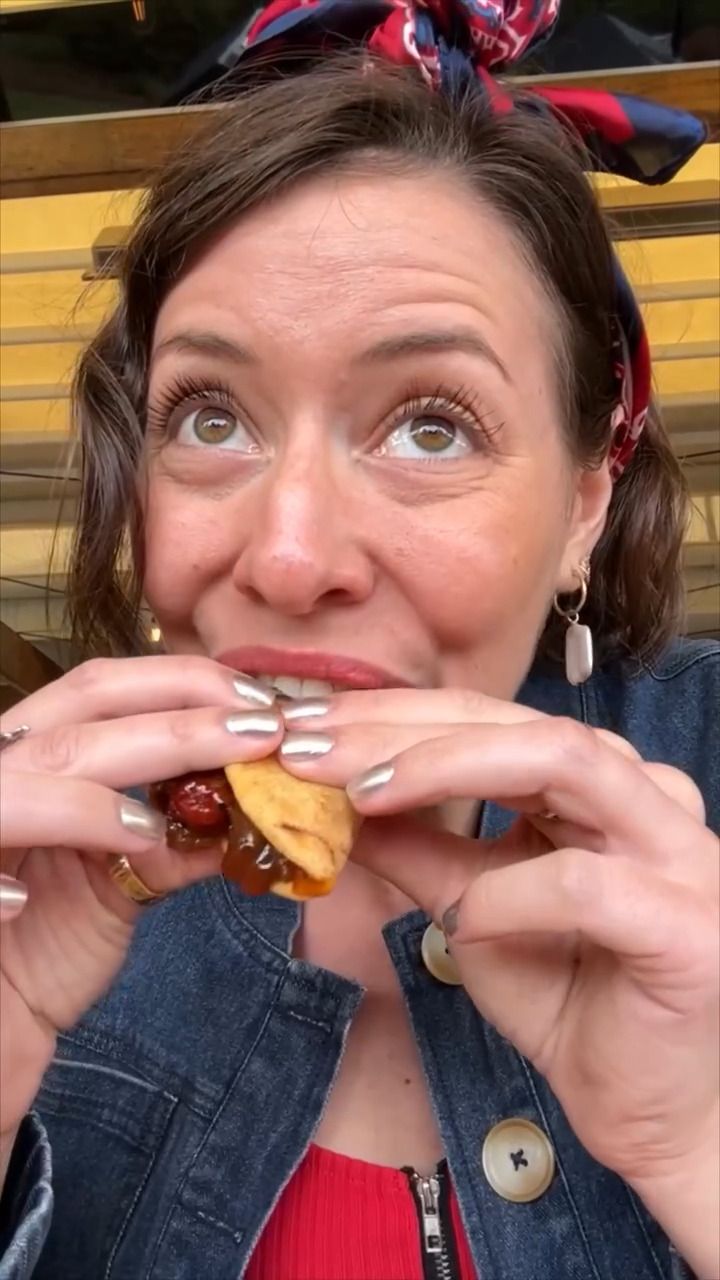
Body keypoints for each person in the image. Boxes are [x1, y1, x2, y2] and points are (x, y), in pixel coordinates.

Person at [0, 3, 718, 1277]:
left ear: (584, 502)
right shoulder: (34, 880)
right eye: (210, 417)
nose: (286, 557)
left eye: (432, 426)